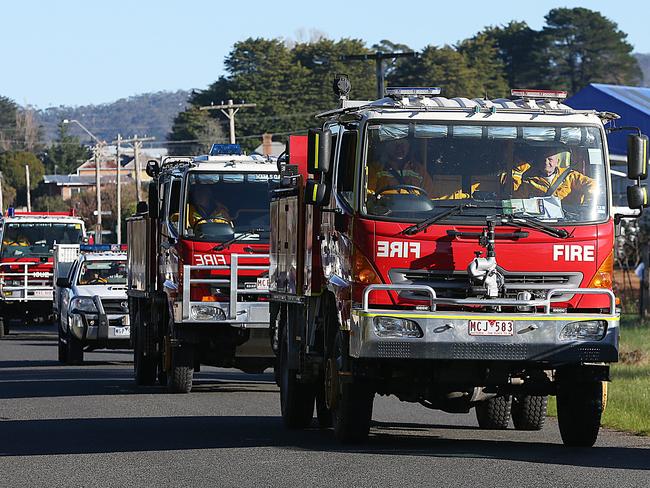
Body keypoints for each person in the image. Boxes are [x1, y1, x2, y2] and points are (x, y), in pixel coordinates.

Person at [511, 146, 596, 205]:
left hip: (569, 221)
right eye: (543, 159)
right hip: (540, 223)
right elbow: (517, 201)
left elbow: (593, 184)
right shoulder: (529, 182)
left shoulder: (570, 176)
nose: (546, 163)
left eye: (550, 159)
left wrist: (588, 202)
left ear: (557, 162)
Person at [367, 138, 434, 195]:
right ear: (386, 146)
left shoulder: (419, 170)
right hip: (385, 208)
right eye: (394, 143)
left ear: (408, 146)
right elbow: (369, 195)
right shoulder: (375, 169)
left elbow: (429, 197)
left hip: (413, 209)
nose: (399, 148)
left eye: (403, 144)